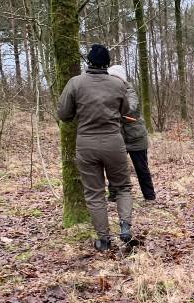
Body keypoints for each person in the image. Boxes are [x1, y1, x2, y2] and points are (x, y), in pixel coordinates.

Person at [57, 44, 134, 252]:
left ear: (88, 62)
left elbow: (64, 114)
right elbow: (127, 111)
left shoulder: (75, 83)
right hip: (114, 142)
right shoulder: (118, 84)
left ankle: (104, 240)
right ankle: (125, 228)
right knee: (123, 187)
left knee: (94, 193)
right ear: (107, 63)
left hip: (86, 143)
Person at [106, 65, 157, 201]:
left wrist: (113, 109)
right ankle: (113, 196)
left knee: (141, 168)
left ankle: (149, 196)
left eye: (115, 78)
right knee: (114, 168)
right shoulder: (106, 91)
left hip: (136, 137)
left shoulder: (129, 90)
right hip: (117, 137)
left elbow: (132, 107)